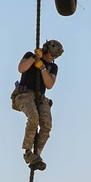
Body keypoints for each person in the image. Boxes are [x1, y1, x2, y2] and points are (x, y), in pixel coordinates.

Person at [11, 39, 64, 169]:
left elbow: (49, 84)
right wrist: (35, 58)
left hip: (39, 97)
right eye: (52, 55)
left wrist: (42, 68)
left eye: (55, 57)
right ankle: (28, 152)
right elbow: (21, 68)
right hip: (24, 95)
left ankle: (37, 155)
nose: (52, 59)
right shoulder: (30, 55)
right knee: (34, 118)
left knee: (46, 125)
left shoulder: (52, 67)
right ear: (46, 50)